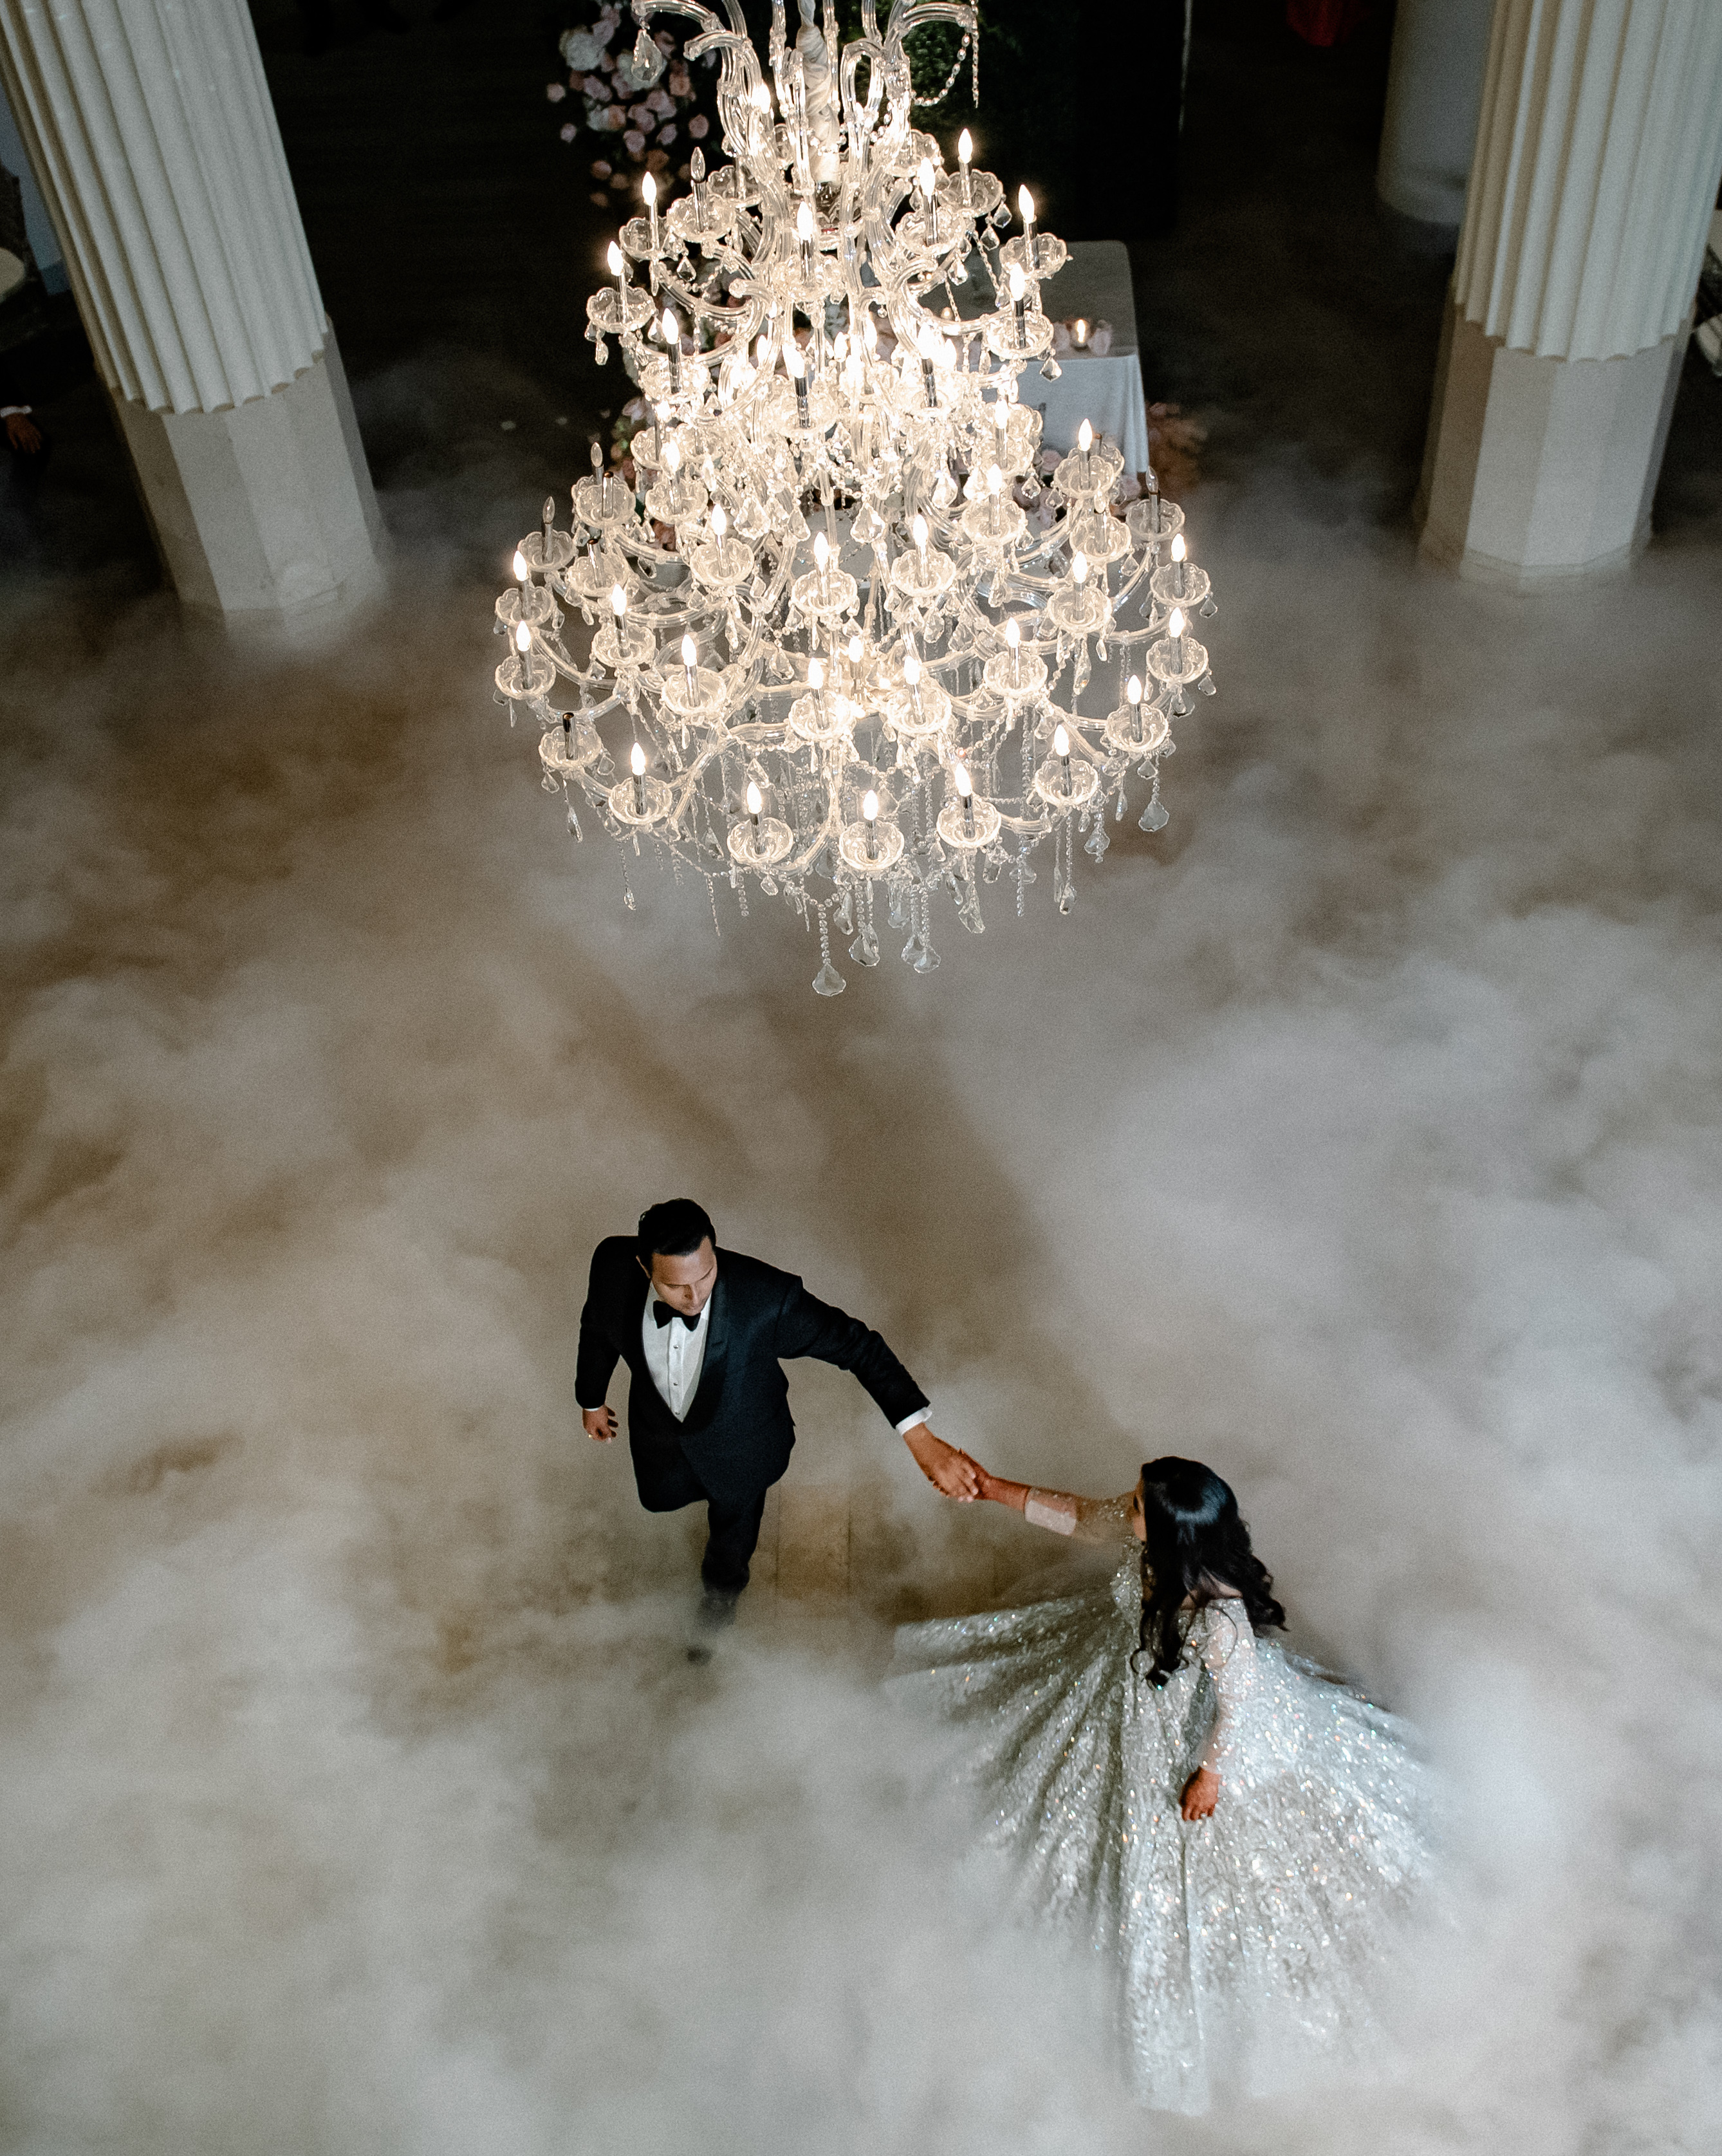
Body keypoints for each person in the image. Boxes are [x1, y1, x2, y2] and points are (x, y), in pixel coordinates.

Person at [891, 1456, 1436, 2110]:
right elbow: (1078, 1514)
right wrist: (991, 1487)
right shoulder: (1145, 1537)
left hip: (1194, 1727)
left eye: (1138, 1504)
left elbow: (1237, 1706)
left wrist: (1210, 1772)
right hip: (1125, 1686)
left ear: (1172, 1532)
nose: (1125, 1507)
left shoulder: (1221, 1619)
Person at [576, 1200, 979, 1635]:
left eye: (706, 1275)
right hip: (661, 1438)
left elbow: (859, 1347)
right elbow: (598, 1328)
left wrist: (920, 1439)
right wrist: (592, 1399)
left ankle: (720, 1603)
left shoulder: (767, 1299)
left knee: (733, 1534)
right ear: (642, 1265)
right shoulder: (613, 1265)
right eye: (677, 1287)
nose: (695, 1298)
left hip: (744, 1444)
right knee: (666, 1493)